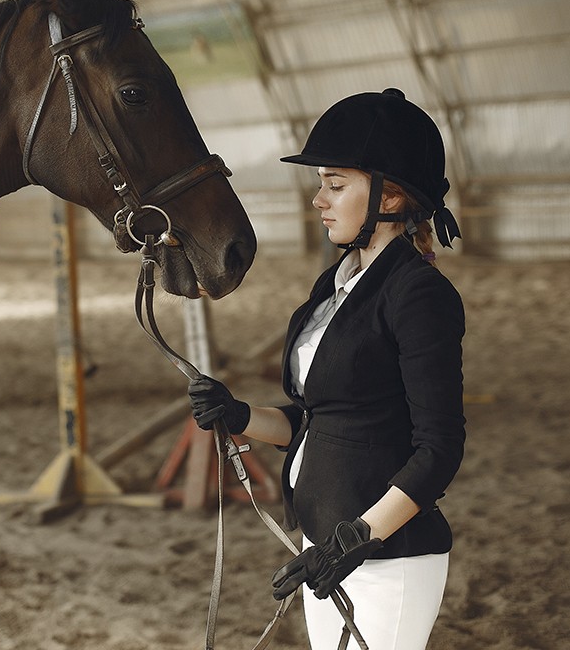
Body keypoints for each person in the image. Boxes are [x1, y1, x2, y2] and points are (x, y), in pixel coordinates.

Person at [188, 88, 465, 650]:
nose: (319, 199)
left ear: (390, 198)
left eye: (335, 185)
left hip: (385, 560)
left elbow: (439, 448)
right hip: (325, 552)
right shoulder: (337, 282)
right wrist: (239, 415)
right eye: (322, 184)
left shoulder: (418, 295)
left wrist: (355, 538)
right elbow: (318, 418)